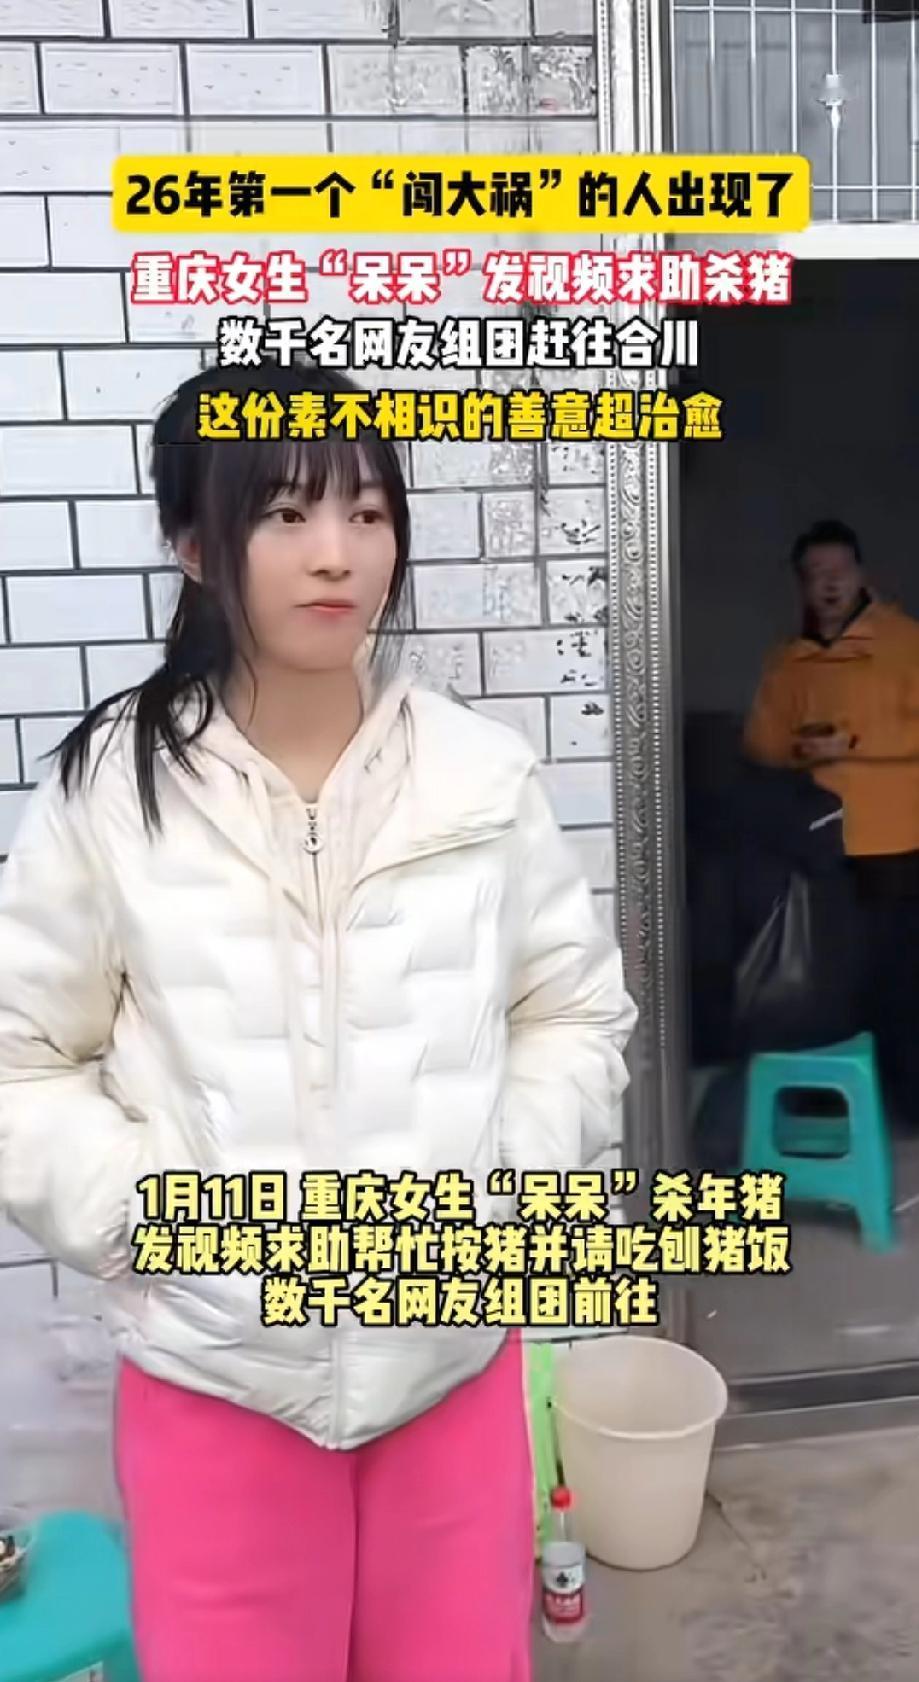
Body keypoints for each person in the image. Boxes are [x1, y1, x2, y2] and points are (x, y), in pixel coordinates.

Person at [0, 360, 636, 1682]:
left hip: (451, 1366)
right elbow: (22, 1058)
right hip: (217, 1387)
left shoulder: (478, 777)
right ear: (193, 543)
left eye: (366, 510)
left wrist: (494, 1180)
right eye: (284, 513)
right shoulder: (109, 794)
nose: (336, 552)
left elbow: (573, 1008)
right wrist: (152, 1214)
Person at [744, 517, 919, 1122]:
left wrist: (855, 742)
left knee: (899, 978)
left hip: (894, 841)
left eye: (839, 571)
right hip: (819, 846)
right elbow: (761, 743)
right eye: (816, 573)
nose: (829, 584)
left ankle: (907, 1103)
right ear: (801, 584)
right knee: (828, 980)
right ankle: (837, 1103)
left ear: (861, 575)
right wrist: (799, 747)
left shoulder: (903, 641)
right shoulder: (789, 659)